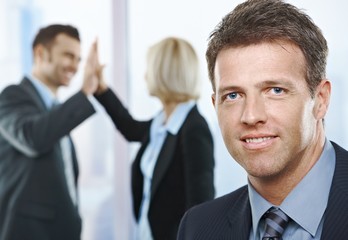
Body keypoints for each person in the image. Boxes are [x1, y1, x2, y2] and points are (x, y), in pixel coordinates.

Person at [177, 0, 348, 239]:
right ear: (216, 106)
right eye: (233, 95)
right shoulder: (197, 227)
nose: (251, 116)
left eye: (275, 90)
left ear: (320, 100)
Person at [94, 37, 215, 240]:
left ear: (164, 73)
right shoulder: (161, 122)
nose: (145, 76)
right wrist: (101, 88)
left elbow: (200, 205)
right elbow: (130, 127)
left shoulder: (193, 128)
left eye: (150, 68)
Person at [0, 24, 100, 240]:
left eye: (78, 59)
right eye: (68, 55)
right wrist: (84, 93)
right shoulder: (12, 97)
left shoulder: (55, 111)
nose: (74, 65)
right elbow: (33, 138)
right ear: (40, 53)